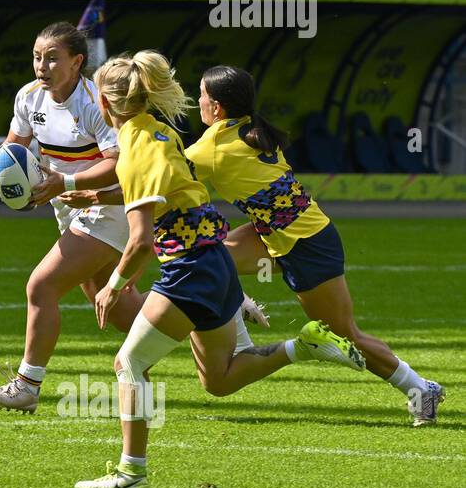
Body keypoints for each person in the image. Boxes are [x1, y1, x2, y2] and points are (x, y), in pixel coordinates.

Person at [65, 64, 446, 426]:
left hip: (306, 244)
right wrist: (97, 197)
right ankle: (235, 302)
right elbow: (155, 184)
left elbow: (152, 180)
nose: (196, 102)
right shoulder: (249, 127)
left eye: (200, 95)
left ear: (216, 106)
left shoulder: (212, 148)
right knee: (212, 254)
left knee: (345, 333)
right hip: (274, 232)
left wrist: (91, 194)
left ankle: (421, 388)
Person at [72, 52, 366, 488]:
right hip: (212, 262)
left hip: (191, 268)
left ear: (105, 103)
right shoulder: (158, 131)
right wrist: (100, 199)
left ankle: (132, 472)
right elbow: (166, 190)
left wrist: (113, 285)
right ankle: (302, 347)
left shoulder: (135, 149)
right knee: (220, 380)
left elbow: (139, 240)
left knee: (129, 362)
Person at [0, 23, 268, 413]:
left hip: (108, 208)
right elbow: (14, 146)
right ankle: (218, 303)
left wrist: (62, 180)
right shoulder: (29, 98)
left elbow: (118, 166)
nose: (41, 66)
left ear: (77, 62)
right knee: (120, 312)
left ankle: (27, 385)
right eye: (36, 56)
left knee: (41, 287)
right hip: (69, 206)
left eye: (52, 58)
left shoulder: (93, 101)